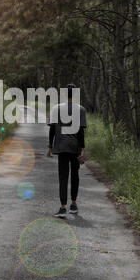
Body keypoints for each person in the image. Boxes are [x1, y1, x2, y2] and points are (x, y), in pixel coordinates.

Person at [47, 84, 86, 218]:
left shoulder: (55, 109)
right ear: (75, 95)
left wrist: (50, 146)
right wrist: (82, 150)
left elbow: (52, 129)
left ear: (64, 95)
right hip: (75, 147)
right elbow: (81, 131)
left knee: (63, 177)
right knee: (75, 175)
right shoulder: (81, 109)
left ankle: (63, 207)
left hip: (61, 147)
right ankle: (73, 204)